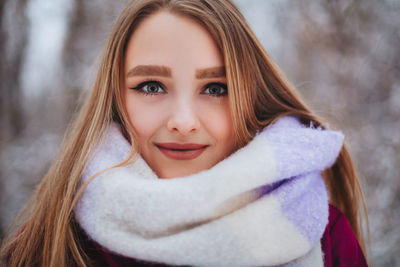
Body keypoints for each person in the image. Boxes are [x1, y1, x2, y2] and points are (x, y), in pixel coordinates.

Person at [1, 0, 369, 266]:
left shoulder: (327, 238)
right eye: (150, 86)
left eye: (215, 89)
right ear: (115, 100)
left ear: (250, 100)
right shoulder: (48, 243)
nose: (183, 121)